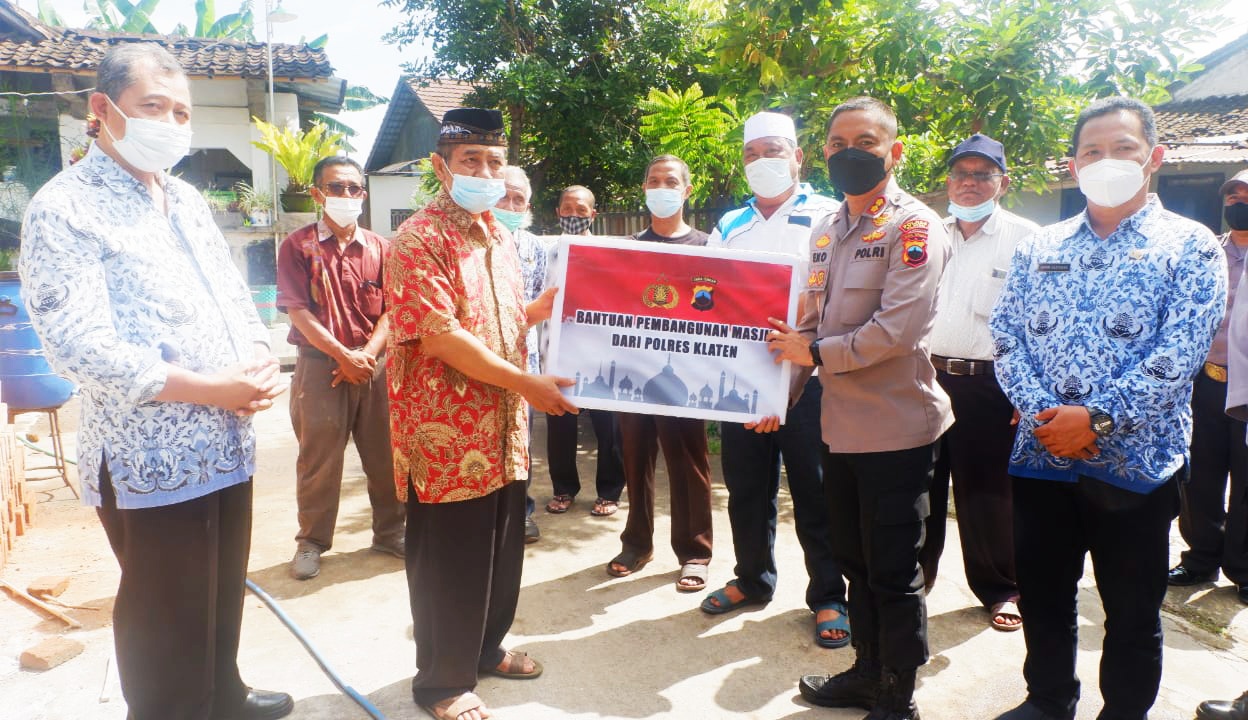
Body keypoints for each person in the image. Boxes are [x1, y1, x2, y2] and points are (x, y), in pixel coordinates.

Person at [19, 43, 291, 720]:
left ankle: (222, 696)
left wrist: (257, 355)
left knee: (220, 591)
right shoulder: (65, 208)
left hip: (226, 443)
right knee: (164, 613)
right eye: (153, 108)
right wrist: (210, 388)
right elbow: (78, 345)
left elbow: (233, 291)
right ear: (104, 110)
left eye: (181, 111)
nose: (171, 123)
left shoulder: (187, 199)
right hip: (152, 456)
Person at [988, 97, 1226, 720]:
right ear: (1072, 164)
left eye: (1122, 147)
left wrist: (1094, 420)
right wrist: (1047, 417)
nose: (1106, 160)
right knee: (1043, 596)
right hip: (1041, 458)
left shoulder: (1191, 246)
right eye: (1091, 151)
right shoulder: (1041, 244)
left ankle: (1123, 712)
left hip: (1137, 465)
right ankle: (1048, 700)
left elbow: (1181, 353)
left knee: (1130, 609)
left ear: (1154, 156)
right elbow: (1007, 335)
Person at [386, 107, 577, 720]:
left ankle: (487, 648)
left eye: (496, 161)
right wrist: (528, 383)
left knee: (499, 554)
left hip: (502, 431)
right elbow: (440, 336)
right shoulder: (419, 239)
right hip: (447, 437)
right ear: (441, 167)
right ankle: (442, 683)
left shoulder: (496, 235)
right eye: (473, 161)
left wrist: (535, 312)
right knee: (450, 562)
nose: (487, 171)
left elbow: (490, 322)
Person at [768, 97, 950, 720]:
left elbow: (896, 331)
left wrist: (813, 353)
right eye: (839, 141)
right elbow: (807, 326)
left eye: (867, 141)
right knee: (852, 557)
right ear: (823, 151)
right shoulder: (825, 229)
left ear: (893, 152)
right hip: (837, 428)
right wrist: (776, 400)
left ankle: (898, 694)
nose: (851, 152)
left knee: (894, 570)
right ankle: (866, 670)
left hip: (897, 429)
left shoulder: (916, 227)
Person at [700, 111, 850, 650]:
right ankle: (752, 578)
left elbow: (838, 298)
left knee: (814, 489)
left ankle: (830, 595)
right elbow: (709, 297)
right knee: (746, 487)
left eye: (772, 151)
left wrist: (799, 369)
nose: (761, 162)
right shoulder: (728, 225)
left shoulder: (830, 216)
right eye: (751, 154)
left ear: (797, 158)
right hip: (741, 379)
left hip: (811, 379)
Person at [918, 133, 1037, 630]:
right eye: (961, 174)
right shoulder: (927, 234)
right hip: (925, 377)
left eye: (982, 175)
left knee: (988, 494)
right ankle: (912, 582)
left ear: (1002, 183)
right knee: (918, 488)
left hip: (992, 386)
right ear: (948, 180)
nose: (969, 183)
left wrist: (1027, 391)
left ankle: (1000, 587)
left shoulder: (1028, 238)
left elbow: (1041, 319)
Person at [277, 155, 404, 580]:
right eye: (336, 187)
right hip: (320, 367)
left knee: (386, 456)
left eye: (353, 188)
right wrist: (341, 355)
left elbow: (392, 310)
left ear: (363, 194)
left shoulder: (382, 248)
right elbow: (297, 311)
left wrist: (366, 354)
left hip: (375, 366)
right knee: (319, 459)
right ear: (317, 193)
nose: (346, 195)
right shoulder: (298, 246)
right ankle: (311, 541)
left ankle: (391, 532)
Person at [605, 154, 715, 592]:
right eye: (653, 180)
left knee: (689, 464)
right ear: (644, 189)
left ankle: (695, 551)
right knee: (635, 459)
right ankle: (636, 543)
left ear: (688, 190)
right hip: (635, 374)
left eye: (671, 181)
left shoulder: (709, 248)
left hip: (684, 378)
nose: (661, 187)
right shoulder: (629, 246)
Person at [1173, 168, 1248, 606]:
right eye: (1232, 194)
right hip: (1205, 383)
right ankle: (1200, 557)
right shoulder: (1208, 254)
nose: (1237, 201)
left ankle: (1242, 568)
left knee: (1246, 479)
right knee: (1198, 475)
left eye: (1245, 195)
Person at [543, 185, 626, 518]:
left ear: (594, 214)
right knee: (560, 424)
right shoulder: (547, 249)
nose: (573, 216)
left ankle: (609, 491)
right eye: (567, 209)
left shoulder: (611, 251)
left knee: (609, 426)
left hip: (602, 353)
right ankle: (564, 489)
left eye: (581, 210)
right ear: (557, 212)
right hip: (558, 351)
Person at [494, 165, 549, 544]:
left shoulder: (534, 247)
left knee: (520, 443)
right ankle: (487, 517)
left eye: (519, 199)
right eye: (504, 195)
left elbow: (545, 307)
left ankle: (522, 512)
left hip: (523, 361)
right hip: (477, 359)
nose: (511, 205)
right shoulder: (473, 240)